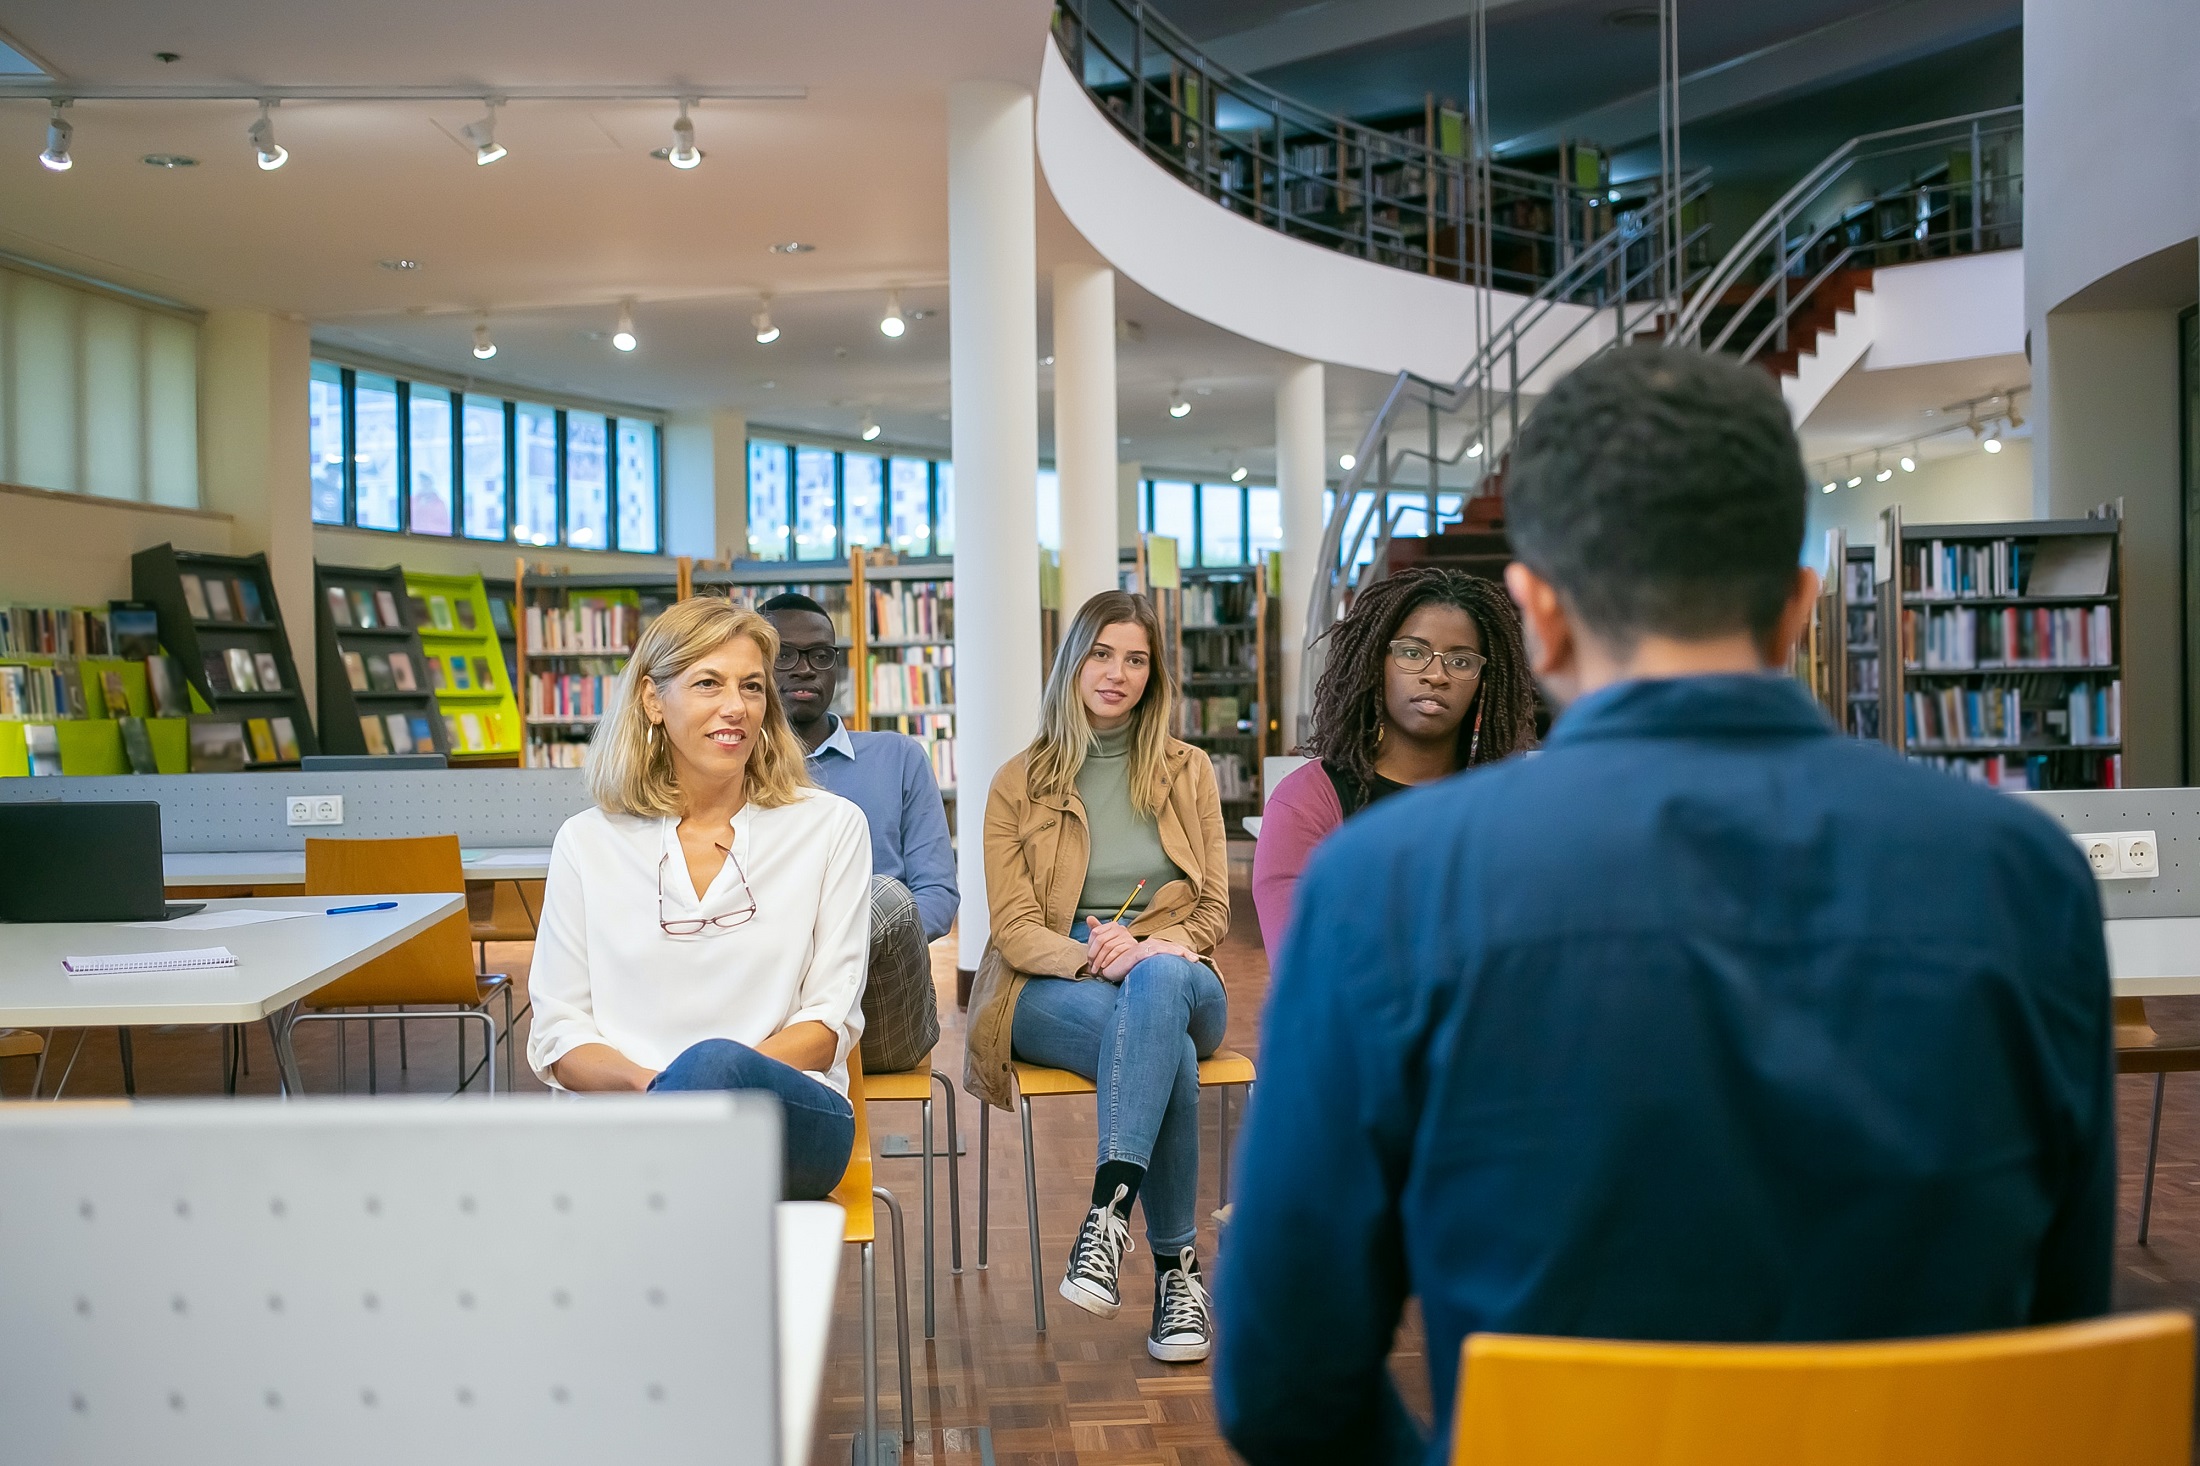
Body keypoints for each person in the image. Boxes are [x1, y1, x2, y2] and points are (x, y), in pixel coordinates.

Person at [1215, 345, 2113, 1464]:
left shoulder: (1387, 886)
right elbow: (2064, 1320)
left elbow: (1282, 1381)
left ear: (1534, 621)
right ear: (1797, 608)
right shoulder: (2024, 877)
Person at [526, 597, 872, 1202]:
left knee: (714, 1065)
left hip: (786, 1116)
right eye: (708, 683)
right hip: (632, 1118)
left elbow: (827, 1023)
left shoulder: (832, 827)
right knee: (692, 1111)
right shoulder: (586, 842)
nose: (736, 707)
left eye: (753, 687)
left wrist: (710, 1084)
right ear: (652, 701)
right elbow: (559, 1035)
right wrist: (660, 1091)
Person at [965, 589, 1231, 1363]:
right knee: (1168, 1052)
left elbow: (1214, 906)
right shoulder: (1019, 782)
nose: (1117, 672)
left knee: (1158, 989)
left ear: (1155, 674)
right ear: (1072, 662)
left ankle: (1106, 1217)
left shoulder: (1190, 771)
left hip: (1180, 971)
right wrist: (1094, 955)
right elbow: (1012, 929)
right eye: (1102, 653)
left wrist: (1151, 948)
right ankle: (1177, 1276)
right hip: (1053, 984)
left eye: (1136, 659)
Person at [1251, 565, 1534, 956]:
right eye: (1413, 653)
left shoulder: (1508, 805)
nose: (1436, 675)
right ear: (1374, 662)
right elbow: (1304, 966)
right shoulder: (1307, 802)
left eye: (1462, 661)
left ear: (1484, 680)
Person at [761, 592, 957, 1075]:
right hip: (766, 1006)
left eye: (820, 655)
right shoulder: (732, 770)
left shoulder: (898, 757)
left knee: (887, 896)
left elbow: (937, 895)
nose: (804, 669)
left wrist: (836, 946)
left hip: (879, 1004)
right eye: (783, 655)